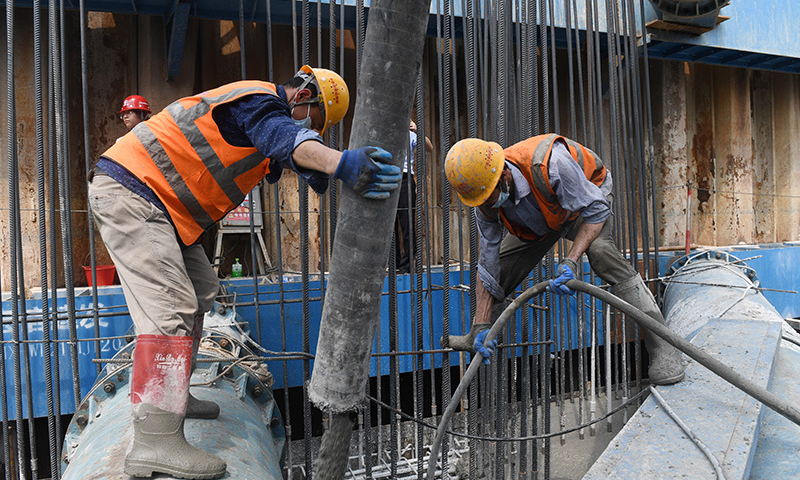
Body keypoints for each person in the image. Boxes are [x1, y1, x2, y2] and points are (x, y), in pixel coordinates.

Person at [88, 66, 401, 479]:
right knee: (170, 308)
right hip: (134, 193)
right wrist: (342, 162)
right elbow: (287, 137)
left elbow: (290, 152)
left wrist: (323, 166)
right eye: (314, 119)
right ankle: (155, 440)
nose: (309, 126)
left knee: (201, 289)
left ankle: (175, 393)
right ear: (303, 97)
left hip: (165, 209)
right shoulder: (259, 102)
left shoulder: (263, 121)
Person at [443, 134, 685, 385]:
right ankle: (483, 338)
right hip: (541, 216)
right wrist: (481, 321)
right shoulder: (484, 199)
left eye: (489, 199)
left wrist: (570, 261)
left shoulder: (550, 163)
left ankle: (663, 347)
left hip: (584, 203)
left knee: (602, 254)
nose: (487, 206)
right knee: (497, 276)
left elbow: (596, 210)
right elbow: (488, 263)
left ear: (503, 176)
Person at [394, 119, 433, 273]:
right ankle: (394, 264)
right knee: (389, 225)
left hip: (405, 179)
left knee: (407, 223)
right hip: (388, 177)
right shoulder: (383, 132)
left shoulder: (409, 134)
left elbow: (429, 147)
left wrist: (417, 131)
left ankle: (407, 265)